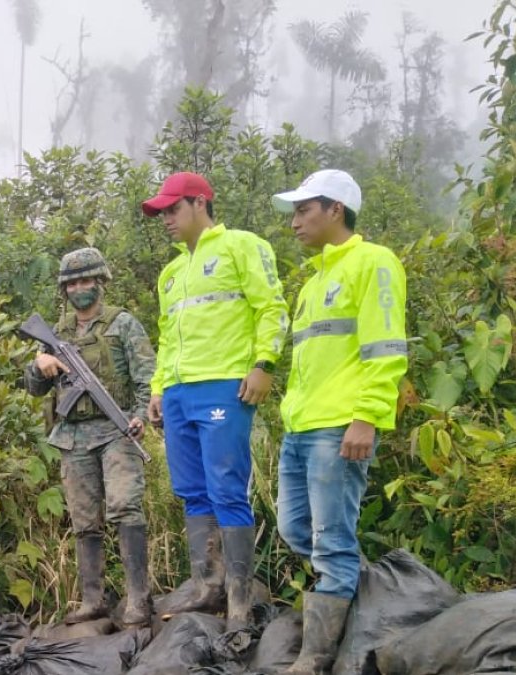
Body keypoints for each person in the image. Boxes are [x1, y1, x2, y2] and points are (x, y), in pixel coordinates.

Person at [271, 169, 408, 672]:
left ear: (336, 209)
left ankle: (316, 657)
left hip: (339, 426)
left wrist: (366, 417)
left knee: (330, 540)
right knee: (295, 528)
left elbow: (387, 350)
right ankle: (352, 592)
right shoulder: (314, 281)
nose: (294, 223)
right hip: (301, 427)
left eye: (304, 210)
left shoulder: (374, 263)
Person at [141, 171, 289, 629]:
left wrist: (264, 363)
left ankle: (240, 600)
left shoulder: (242, 246)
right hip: (181, 393)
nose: (165, 218)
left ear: (199, 203)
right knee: (191, 490)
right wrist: (159, 388)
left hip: (225, 385)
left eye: (172, 209)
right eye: (161, 212)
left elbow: (272, 307)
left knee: (227, 487)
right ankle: (207, 585)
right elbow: (168, 338)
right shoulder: (171, 273)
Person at [24, 247, 157, 627]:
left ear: (101, 282)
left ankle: (137, 598)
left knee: (125, 508)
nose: (80, 288)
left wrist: (139, 414)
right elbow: (33, 388)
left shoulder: (123, 323)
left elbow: (147, 374)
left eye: (87, 280)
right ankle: (92, 598)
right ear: (64, 289)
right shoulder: (56, 332)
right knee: (84, 520)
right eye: (73, 283)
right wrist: (40, 364)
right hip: (72, 436)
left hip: (116, 431)